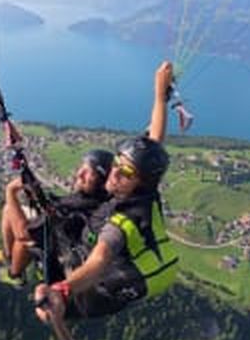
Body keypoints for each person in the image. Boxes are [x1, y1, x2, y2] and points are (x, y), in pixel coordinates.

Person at [35, 61, 179, 322]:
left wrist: (61, 291)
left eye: (124, 173)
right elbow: (153, 143)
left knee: (43, 231)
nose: (113, 173)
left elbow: (99, 260)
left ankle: (15, 269)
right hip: (125, 273)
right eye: (115, 164)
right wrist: (160, 95)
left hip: (89, 296)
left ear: (140, 182)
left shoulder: (121, 223)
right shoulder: (146, 189)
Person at [0, 148, 114, 284]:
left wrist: (10, 191)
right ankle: (8, 257)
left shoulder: (79, 209)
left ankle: (14, 275)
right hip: (61, 239)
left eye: (89, 173)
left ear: (102, 181)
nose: (80, 174)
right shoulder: (98, 200)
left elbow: (23, 233)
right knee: (10, 210)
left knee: (23, 238)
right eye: (82, 168)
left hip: (56, 254)